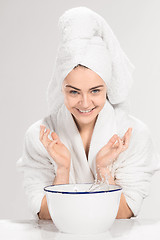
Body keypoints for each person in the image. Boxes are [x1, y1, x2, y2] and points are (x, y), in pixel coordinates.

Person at [17, 7, 160, 220]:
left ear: (107, 87)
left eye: (95, 90)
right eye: (74, 91)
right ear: (61, 87)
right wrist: (62, 170)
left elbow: (123, 214)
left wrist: (103, 169)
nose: (85, 103)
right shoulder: (39, 136)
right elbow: (46, 215)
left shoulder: (134, 134)